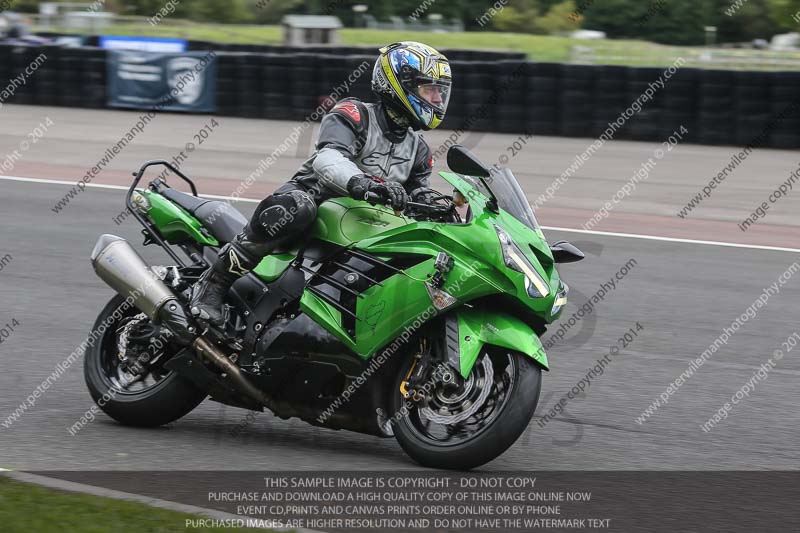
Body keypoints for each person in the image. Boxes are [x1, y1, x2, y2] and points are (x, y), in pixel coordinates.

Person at [190, 41, 453, 326]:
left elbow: (415, 192)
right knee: (296, 208)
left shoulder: (419, 149)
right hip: (315, 199)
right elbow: (328, 158)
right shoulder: (354, 114)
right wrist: (363, 182)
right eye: (429, 89)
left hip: (364, 222)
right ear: (399, 85)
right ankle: (214, 283)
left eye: (440, 91)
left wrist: (431, 203)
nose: (437, 99)